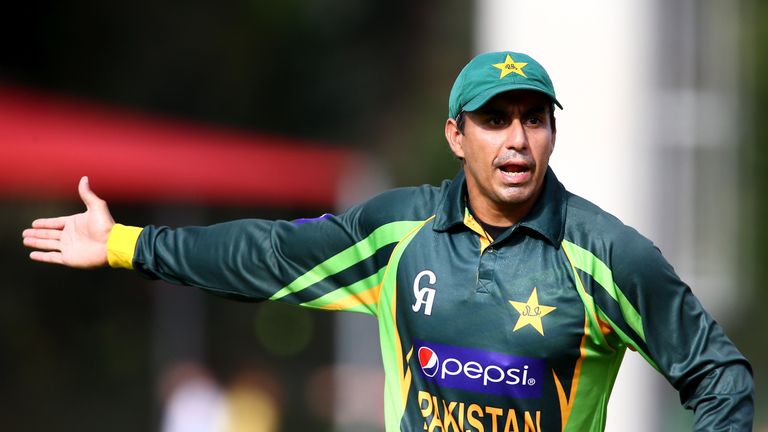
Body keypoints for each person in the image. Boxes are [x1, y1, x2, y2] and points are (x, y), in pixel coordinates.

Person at [22, 51, 754, 431]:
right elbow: (267, 254)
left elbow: (722, 379)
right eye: (495, 119)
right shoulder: (398, 233)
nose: (518, 138)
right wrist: (123, 242)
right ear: (455, 135)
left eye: (534, 118)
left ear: (553, 132)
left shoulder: (606, 255)